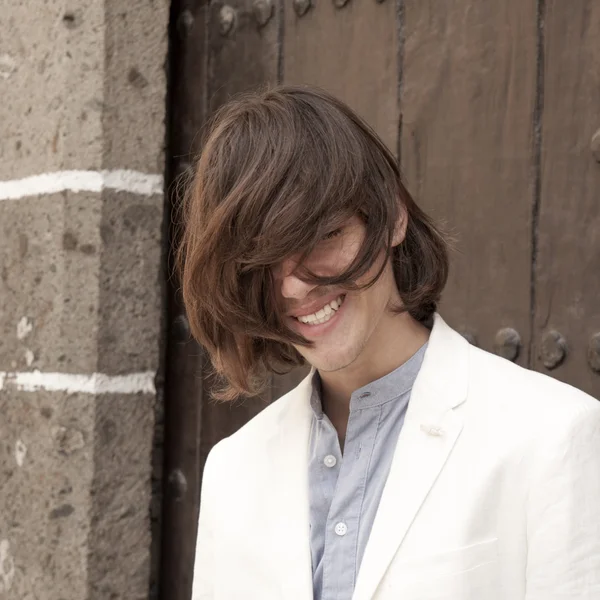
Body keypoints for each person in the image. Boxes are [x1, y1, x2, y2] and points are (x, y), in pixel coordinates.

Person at [177, 85, 600, 600]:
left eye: (320, 236)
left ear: (392, 216)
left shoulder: (552, 434)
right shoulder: (233, 468)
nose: (293, 288)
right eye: (260, 265)